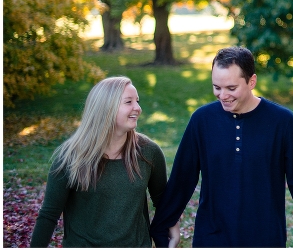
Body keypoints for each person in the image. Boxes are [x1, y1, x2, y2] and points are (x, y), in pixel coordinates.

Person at [149, 46, 293, 248]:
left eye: (231, 88)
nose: (223, 95)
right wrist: (161, 227)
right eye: (217, 87)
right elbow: (182, 179)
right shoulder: (202, 120)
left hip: (265, 238)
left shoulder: (281, 121)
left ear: (252, 82)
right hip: (211, 237)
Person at [30, 76, 180, 247]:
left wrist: (173, 234)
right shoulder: (70, 157)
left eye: (137, 101)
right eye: (128, 102)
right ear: (106, 108)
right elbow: (49, 215)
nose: (137, 108)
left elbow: (162, 200)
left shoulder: (148, 152)